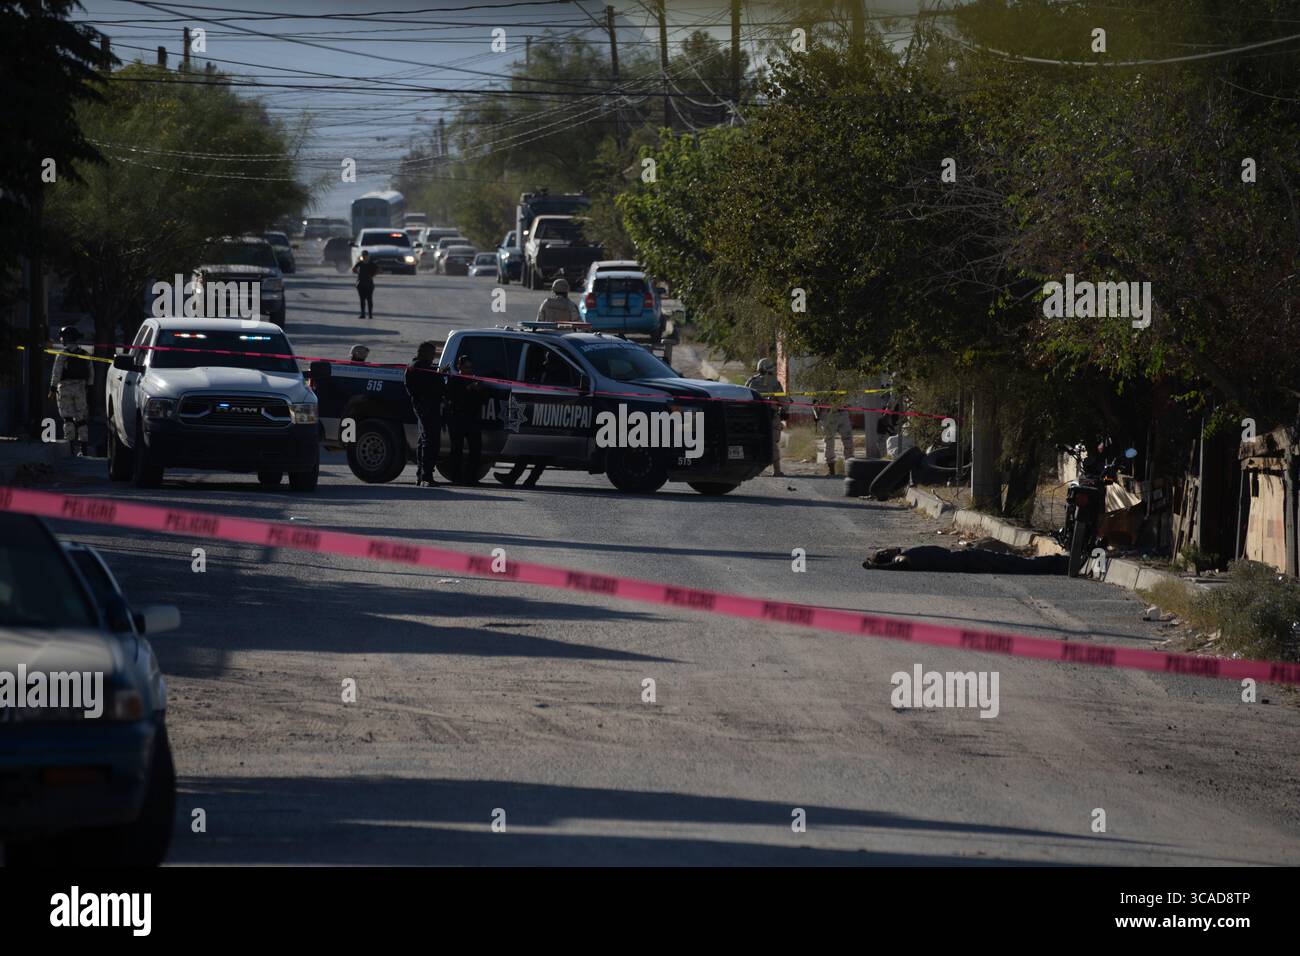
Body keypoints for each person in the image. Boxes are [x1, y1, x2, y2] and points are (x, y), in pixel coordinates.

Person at [404, 341, 445, 487]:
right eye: (432, 354)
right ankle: (426, 476)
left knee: (424, 440)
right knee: (430, 441)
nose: (433, 357)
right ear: (425, 353)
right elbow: (431, 386)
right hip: (426, 407)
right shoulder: (419, 367)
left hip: (424, 406)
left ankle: (422, 475)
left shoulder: (416, 365)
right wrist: (441, 375)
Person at [47, 326, 91, 457]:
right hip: (80, 389)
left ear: (66, 338)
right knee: (81, 419)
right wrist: (89, 388)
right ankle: (83, 449)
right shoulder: (85, 354)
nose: (60, 339)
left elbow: (56, 373)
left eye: (62, 337)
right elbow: (91, 373)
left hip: (65, 388)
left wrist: (52, 389)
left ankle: (70, 447)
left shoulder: (62, 354)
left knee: (68, 418)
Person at [446, 353, 485, 484]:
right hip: (457, 418)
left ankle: (471, 477)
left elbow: (481, 401)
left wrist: (479, 390)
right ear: (459, 367)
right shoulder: (454, 379)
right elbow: (452, 398)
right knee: (456, 450)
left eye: (470, 367)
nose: (469, 370)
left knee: (476, 449)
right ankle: (456, 477)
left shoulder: (475, 380)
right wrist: (468, 388)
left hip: (472, 419)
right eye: (466, 367)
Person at [745, 357, 787, 477]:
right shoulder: (775, 382)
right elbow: (783, 400)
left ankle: (754, 471)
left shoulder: (752, 381)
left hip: (755, 418)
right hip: (771, 417)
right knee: (772, 443)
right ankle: (777, 471)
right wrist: (785, 411)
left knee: (756, 442)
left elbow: (746, 396)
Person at [817, 395, 855, 476]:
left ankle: (850, 468)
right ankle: (831, 469)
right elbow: (817, 398)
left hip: (843, 411)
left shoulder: (844, 383)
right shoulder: (823, 385)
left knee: (848, 440)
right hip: (828, 412)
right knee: (829, 441)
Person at [351, 250, 378, 319]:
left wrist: (372, 275)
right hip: (360, 283)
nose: (364, 256)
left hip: (369, 284)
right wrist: (358, 273)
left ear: (368, 256)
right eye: (363, 255)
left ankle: (370, 314)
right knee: (362, 299)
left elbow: (378, 270)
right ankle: (362, 314)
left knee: (369, 299)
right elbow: (353, 269)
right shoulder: (360, 263)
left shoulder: (372, 264)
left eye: (366, 255)